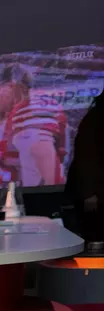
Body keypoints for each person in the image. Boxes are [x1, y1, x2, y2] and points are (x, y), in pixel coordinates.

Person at [66, 89, 104, 244]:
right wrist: (88, 193)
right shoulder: (96, 119)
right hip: (95, 196)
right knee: (95, 239)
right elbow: (86, 157)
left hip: (95, 193)